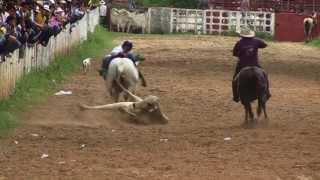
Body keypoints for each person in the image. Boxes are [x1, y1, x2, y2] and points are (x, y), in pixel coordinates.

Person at [232, 26, 270, 102]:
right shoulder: (256, 41)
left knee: (234, 80)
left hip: (242, 65)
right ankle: (267, 92)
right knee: (265, 75)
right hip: (255, 64)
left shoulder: (239, 43)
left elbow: (235, 53)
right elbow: (265, 45)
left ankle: (236, 96)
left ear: (242, 35)